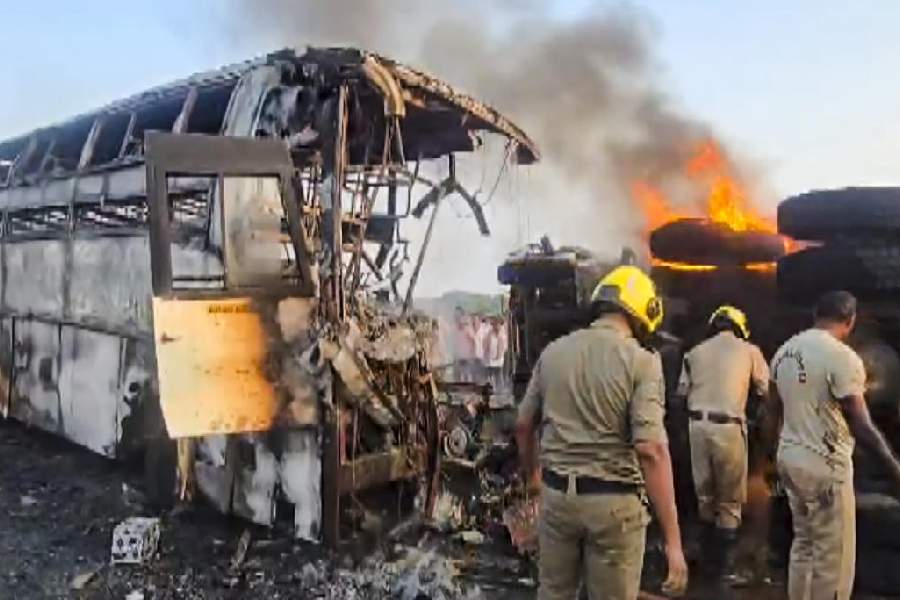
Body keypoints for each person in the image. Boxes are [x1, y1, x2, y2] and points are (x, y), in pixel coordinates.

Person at [515, 265, 688, 600]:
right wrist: (673, 542)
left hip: (557, 498)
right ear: (644, 312)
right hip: (614, 507)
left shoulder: (553, 352)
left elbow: (523, 425)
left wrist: (534, 475)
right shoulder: (642, 361)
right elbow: (651, 449)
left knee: (553, 593)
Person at [770, 291, 900, 600]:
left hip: (790, 459)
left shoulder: (784, 351)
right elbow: (862, 424)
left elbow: (771, 411)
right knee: (834, 559)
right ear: (850, 320)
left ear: (816, 314)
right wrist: (894, 468)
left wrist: (771, 457)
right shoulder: (842, 357)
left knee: (804, 546)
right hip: (824, 466)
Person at [677, 305, 769, 582]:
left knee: (704, 496)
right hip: (728, 427)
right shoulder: (750, 351)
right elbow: (765, 391)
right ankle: (724, 568)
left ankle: (705, 561)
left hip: (697, 426)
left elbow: (681, 394)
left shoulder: (694, 353)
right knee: (729, 499)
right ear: (740, 328)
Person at [483, 317, 508, 391]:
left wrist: (499, 355)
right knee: (490, 377)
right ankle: (491, 390)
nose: (496, 326)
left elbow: (503, 348)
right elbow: (485, 346)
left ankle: (500, 391)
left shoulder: (502, 335)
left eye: (497, 324)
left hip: (499, 360)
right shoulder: (489, 334)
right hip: (490, 360)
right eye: (494, 324)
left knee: (498, 376)